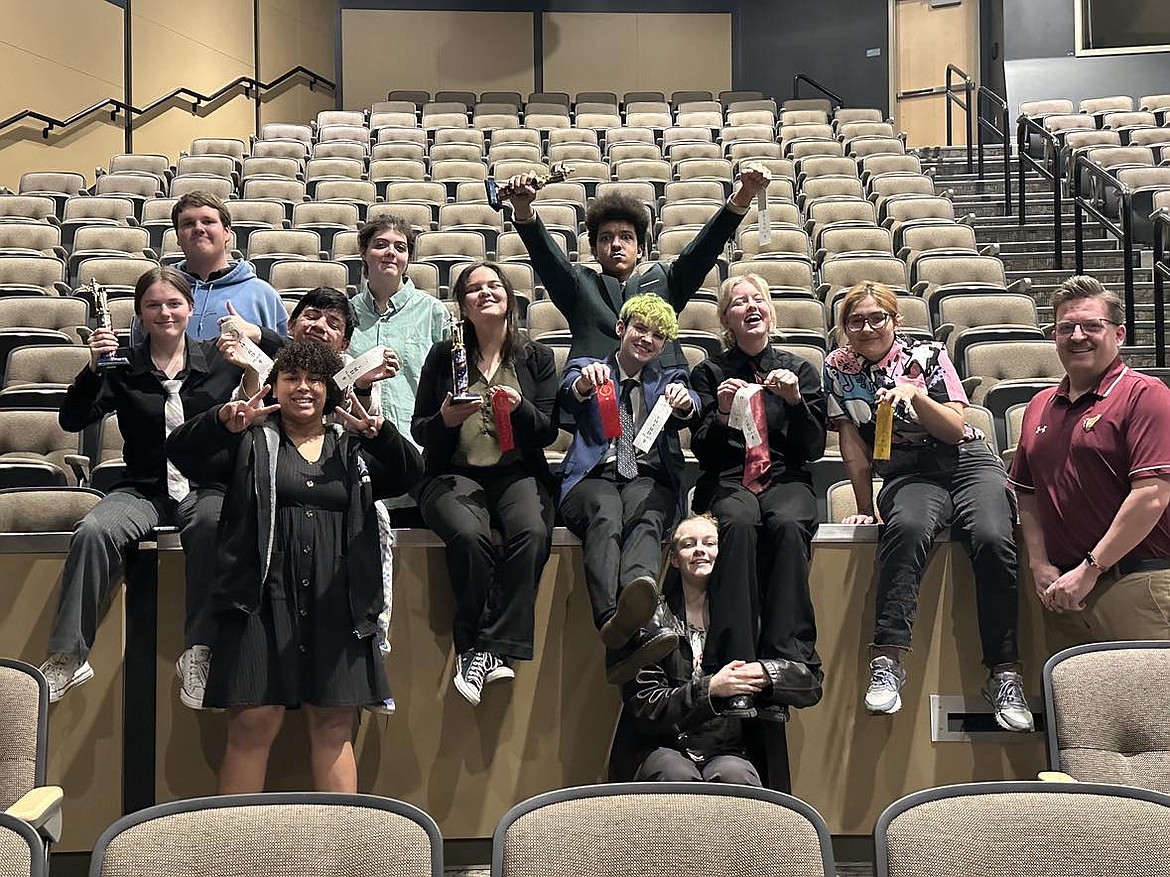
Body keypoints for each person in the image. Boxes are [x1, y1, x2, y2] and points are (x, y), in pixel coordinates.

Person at [165, 341, 422, 793]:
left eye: (315, 380)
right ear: (275, 386)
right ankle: (237, 858)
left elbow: (410, 475)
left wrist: (380, 434)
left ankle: (343, 861)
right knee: (252, 724)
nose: (303, 388)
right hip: (260, 599)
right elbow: (182, 454)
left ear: (329, 389)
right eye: (292, 379)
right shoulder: (250, 440)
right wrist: (223, 422)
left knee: (332, 728)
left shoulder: (351, 445)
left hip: (339, 599)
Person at [822, 281, 1032, 731]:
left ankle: (1004, 673)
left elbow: (957, 429)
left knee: (994, 538)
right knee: (909, 528)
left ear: (895, 321)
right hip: (909, 472)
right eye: (855, 321)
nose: (866, 328)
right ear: (844, 328)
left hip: (965, 460)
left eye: (877, 318)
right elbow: (852, 443)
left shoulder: (929, 355)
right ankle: (888, 661)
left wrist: (915, 395)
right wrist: (865, 505)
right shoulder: (837, 366)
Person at [40, 266, 244, 708]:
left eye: (173, 303)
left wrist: (255, 344)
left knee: (213, 525)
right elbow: (72, 420)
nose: (164, 312)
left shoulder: (220, 362)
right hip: (144, 489)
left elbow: (277, 377)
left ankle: (201, 650)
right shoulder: (122, 367)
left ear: (191, 308)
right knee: (93, 531)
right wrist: (92, 369)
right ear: (139, 313)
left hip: (203, 487)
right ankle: (69, 655)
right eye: (153, 305)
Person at [411, 262, 558, 706]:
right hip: (453, 472)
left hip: (518, 473)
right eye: (474, 289)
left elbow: (548, 431)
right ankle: (475, 648)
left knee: (532, 532)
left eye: (494, 285)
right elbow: (421, 430)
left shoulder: (535, 357)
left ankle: (489, 648)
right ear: (463, 305)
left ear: (510, 297)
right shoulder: (444, 354)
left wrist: (520, 410)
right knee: (469, 534)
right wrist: (444, 419)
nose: (485, 293)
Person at [689, 273, 825, 721]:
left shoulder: (801, 369)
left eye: (758, 299)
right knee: (739, 525)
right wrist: (723, 411)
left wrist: (796, 402)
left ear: (769, 311)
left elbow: (813, 448)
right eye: (738, 302)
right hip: (728, 478)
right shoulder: (709, 372)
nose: (750, 306)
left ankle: (787, 663)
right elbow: (704, 452)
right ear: (727, 321)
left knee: (787, 525)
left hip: (785, 478)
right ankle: (735, 667)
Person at [1010, 275, 1170, 644]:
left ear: (1119, 334)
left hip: (1135, 583)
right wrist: (1038, 563)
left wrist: (1090, 569)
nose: (1078, 336)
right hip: (1064, 591)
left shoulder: (1145, 395)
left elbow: (1151, 496)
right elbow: (1028, 492)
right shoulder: (1039, 406)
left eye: (1092, 326)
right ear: (1054, 336)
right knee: (1074, 702)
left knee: (1146, 702)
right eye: (1066, 328)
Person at [559, 293, 699, 684]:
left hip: (645, 477)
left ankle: (634, 604)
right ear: (621, 329)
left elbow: (695, 405)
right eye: (640, 328)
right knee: (606, 512)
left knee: (648, 511)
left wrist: (685, 403)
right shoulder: (588, 366)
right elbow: (567, 395)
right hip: (592, 480)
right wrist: (585, 387)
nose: (647, 338)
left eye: (657, 335)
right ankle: (612, 616)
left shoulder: (669, 379)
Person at [505, 167, 771, 368]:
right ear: (595, 251)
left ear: (641, 249)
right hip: (595, 406)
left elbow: (705, 248)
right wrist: (523, 210)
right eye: (606, 238)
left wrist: (744, 195)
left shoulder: (667, 280)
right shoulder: (579, 286)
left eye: (626, 237)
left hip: (660, 402)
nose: (616, 245)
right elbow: (546, 259)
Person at [609, 514, 766, 785]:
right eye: (688, 544)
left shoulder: (749, 616)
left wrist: (767, 674)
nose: (700, 550)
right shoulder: (649, 617)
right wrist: (712, 688)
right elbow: (645, 705)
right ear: (672, 558)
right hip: (661, 744)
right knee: (675, 774)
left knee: (736, 775)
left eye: (709, 543)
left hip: (726, 746)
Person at [348, 216, 450, 527]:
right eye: (380, 245)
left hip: (417, 450)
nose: (391, 252)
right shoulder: (346, 312)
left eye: (400, 247)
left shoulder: (433, 311)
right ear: (364, 253)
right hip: (358, 450)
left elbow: (448, 381)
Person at [171, 191, 287, 341]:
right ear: (177, 237)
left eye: (208, 221)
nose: (198, 228)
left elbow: (283, 356)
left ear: (227, 232)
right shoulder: (159, 292)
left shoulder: (262, 294)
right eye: (188, 223)